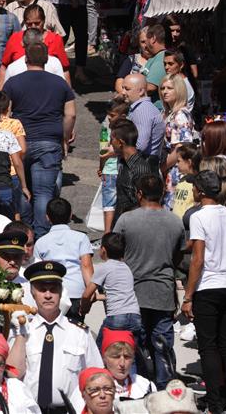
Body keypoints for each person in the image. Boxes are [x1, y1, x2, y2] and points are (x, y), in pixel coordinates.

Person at [113, 174, 184, 390]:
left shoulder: (126, 220)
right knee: (163, 346)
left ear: (139, 193)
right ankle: (166, 389)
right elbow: (178, 258)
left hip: (133, 293)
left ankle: (142, 386)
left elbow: (114, 250)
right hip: (163, 292)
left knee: (137, 345)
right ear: (162, 193)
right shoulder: (175, 221)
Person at [7, 261, 103, 412]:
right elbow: (13, 374)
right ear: (32, 292)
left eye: (53, 289)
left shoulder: (79, 332)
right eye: (42, 289)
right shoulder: (22, 328)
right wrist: (20, 335)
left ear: (61, 292)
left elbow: (96, 375)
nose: (47, 295)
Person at [183, 170, 226, 413]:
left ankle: (216, 403)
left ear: (200, 191)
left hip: (208, 286)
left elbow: (198, 258)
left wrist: (187, 296)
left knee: (208, 347)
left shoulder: (199, 217)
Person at [4, 42, 75, 237]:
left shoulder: (13, 82)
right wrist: (65, 138)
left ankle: (26, 233)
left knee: (21, 189)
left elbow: (5, 112)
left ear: (26, 59)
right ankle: (42, 234)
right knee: (44, 192)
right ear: (46, 59)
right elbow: (70, 115)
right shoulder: (60, 83)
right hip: (49, 142)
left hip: (20, 143)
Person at [79, 232, 142, 349]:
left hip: (116, 317)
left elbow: (87, 294)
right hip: (135, 316)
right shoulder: (126, 268)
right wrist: (99, 297)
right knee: (129, 353)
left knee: (101, 349)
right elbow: (119, 293)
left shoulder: (104, 268)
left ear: (103, 250)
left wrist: (84, 308)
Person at [33, 198, 93, 317]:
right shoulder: (81, 238)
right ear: (70, 215)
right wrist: (90, 292)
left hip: (52, 294)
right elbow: (86, 266)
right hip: (76, 292)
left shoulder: (40, 242)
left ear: (47, 217)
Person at [159, 74, 197, 209]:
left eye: (170, 88)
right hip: (169, 169)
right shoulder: (169, 113)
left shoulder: (181, 115)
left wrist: (161, 168)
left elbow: (181, 148)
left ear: (179, 90)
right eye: (162, 88)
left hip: (176, 170)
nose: (165, 91)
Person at [97, 98, 129, 233]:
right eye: (108, 114)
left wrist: (101, 167)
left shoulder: (109, 130)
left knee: (109, 205)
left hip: (110, 170)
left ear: (123, 116)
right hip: (117, 169)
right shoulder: (129, 128)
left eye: (112, 115)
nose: (109, 118)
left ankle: (107, 234)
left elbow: (103, 152)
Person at [121, 73, 164, 158]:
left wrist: (117, 150)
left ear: (141, 91)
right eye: (123, 88)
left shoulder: (143, 110)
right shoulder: (140, 108)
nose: (123, 92)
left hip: (141, 166)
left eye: (127, 89)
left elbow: (140, 146)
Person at [114, 28, 150, 96]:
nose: (146, 45)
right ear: (138, 44)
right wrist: (130, 96)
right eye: (143, 42)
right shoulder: (132, 59)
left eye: (149, 41)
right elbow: (119, 83)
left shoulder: (160, 59)